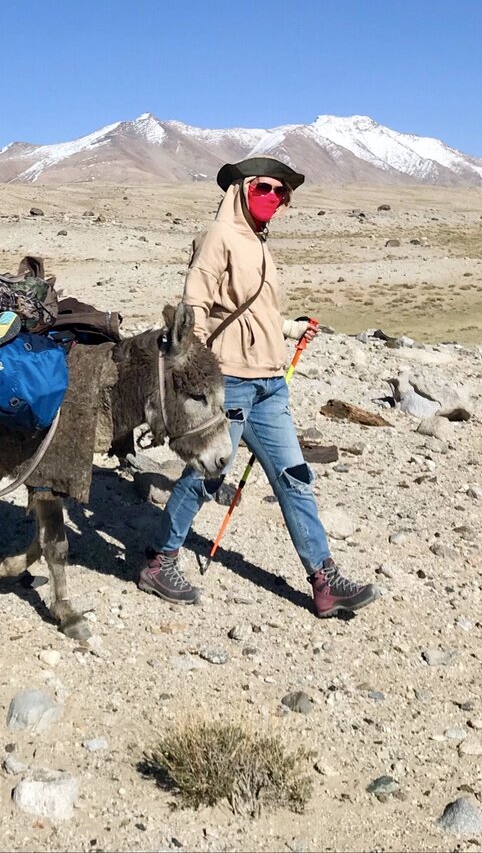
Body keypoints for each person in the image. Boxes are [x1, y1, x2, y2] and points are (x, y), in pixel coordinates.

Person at [137, 157, 380, 618]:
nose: (276, 198)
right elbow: (196, 308)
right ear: (243, 189)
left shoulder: (259, 244)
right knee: (207, 476)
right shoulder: (219, 236)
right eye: (267, 188)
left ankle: (324, 582)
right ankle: (161, 560)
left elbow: (253, 310)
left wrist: (288, 329)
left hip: (270, 384)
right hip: (231, 383)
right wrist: (198, 376)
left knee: (295, 479)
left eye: (283, 193)